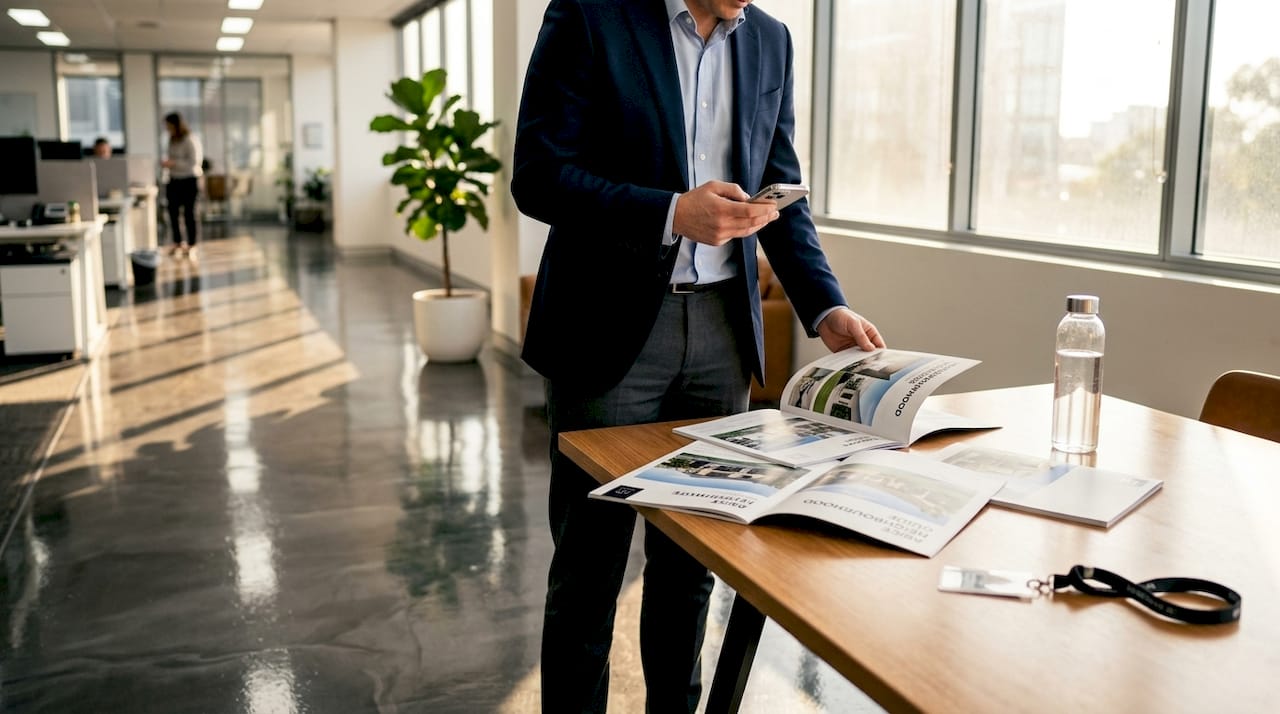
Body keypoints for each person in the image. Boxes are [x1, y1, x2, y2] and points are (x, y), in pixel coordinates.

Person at [510, 1, 886, 711]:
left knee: (692, 570)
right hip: (608, 330)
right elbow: (538, 174)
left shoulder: (771, 39)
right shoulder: (591, 15)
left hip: (722, 336)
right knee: (590, 569)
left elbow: (782, 190)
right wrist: (670, 212)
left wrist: (825, 306)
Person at [161, 112, 203, 258]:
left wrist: (174, 163)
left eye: (169, 125)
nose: (167, 128)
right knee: (173, 213)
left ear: (176, 125)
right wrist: (168, 164)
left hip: (189, 180)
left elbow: (194, 162)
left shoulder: (190, 139)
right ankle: (177, 243)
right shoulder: (171, 140)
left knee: (189, 213)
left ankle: (192, 244)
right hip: (173, 180)